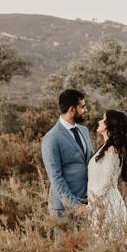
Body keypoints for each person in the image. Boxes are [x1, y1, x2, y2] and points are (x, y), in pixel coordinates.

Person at [41, 89, 93, 225]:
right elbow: (56, 178)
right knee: (64, 246)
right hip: (63, 209)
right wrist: (76, 206)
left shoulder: (84, 131)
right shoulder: (51, 138)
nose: (85, 110)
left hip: (87, 205)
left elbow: (90, 163)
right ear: (72, 109)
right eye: (82, 107)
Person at [87, 109, 127, 238]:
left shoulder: (112, 151)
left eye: (103, 119)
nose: (99, 121)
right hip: (100, 206)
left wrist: (89, 206)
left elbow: (106, 183)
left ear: (110, 125)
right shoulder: (105, 148)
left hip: (109, 207)